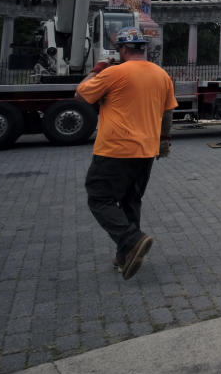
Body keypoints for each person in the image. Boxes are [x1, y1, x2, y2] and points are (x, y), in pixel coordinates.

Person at [76, 27, 177, 280]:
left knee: (99, 198)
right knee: (131, 200)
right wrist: (163, 140)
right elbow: (167, 113)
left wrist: (97, 69)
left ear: (122, 50)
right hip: (146, 151)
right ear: (143, 48)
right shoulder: (161, 75)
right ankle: (125, 256)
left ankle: (133, 239)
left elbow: (81, 93)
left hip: (114, 150)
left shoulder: (113, 72)